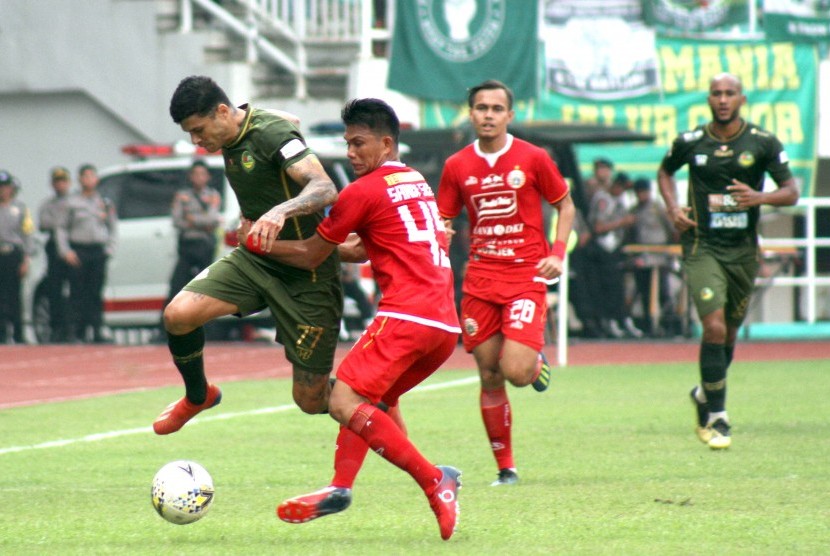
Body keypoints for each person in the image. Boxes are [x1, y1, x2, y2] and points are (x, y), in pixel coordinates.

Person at [244, 98, 462, 540]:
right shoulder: (414, 179)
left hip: (406, 315)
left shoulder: (362, 191)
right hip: (443, 325)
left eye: (358, 143)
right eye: (347, 143)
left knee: (343, 401)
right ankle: (342, 488)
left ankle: (434, 479)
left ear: (386, 142)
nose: (350, 152)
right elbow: (363, 248)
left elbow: (311, 254)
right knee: (372, 401)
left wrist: (259, 244)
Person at [153, 75, 343, 435]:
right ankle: (198, 395)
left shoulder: (269, 134)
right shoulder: (233, 128)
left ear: (222, 112)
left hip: (308, 274)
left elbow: (324, 187)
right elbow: (292, 120)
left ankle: (372, 403)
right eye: (189, 134)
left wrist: (280, 211)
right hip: (256, 259)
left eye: (198, 130)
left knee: (310, 399)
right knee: (178, 315)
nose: (196, 141)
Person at [436, 79, 575, 486]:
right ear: (471, 113)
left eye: (497, 109)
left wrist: (558, 252)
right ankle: (506, 469)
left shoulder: (533, 158)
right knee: (489, 374)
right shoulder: (457, 165)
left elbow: (565, 206)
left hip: (524, 276)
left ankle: (534, 366)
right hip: (479, 280)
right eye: (481, 108)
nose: (489, 115)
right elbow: (446, 217)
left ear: (510, 116)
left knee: (514, 370)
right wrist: (442, 232)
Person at [657, 72, 799, 450]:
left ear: (742, 99)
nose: (723, 99)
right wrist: (673, 208)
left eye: (730, 94)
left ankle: (705, 395)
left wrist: (759, 197)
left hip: (743, 252)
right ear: (708, 99)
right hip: (702, 247)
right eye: (717, 94)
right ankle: (718, 417)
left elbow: (792, 192)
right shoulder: (690, 142)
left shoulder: (763, 143)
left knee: (729, 335)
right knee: (714, 328)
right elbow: (664, 172)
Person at [55, 164, 118, 343]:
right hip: (78, 250)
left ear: (96, 179)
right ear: (80, 180)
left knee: (95, 292)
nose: (89, 180)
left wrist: (109, 249)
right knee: (77, 292)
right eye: (85, 176)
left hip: (97, 251)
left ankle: (96, 330)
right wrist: (65, 251)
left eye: (92, 176)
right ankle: (74, 331)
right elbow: (61, 228)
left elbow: (113, 226)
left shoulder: (104, 202)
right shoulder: (71, 202)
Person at [585, 172, 643, 339]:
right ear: (616, 185)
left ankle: (622, 319)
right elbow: (598, 227)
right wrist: (622, 223)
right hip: (602, 250)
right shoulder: (603, 199)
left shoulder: (620, 201)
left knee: (619, 287)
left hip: (616, 249)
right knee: (607, 287)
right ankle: (609, 321)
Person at [165, 159, 222, 307]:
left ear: (208, 177)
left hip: (205, 245)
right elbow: (177, 221)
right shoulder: (182, 196)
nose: (199, 177)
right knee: (177, 286)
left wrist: (192, 219)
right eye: (195, 174)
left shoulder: (213, 195)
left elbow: (212, 218)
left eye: (202, 174)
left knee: (206, 289)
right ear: (190, 176)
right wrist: (203, 223)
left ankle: (208, 327)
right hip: (187, 246)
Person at [628, 178, 677, 337]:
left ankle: (669, 325)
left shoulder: (658, 209)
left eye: (644, 192)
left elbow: (672, 230)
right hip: (642, 257)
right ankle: (649, 326)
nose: (642, 195)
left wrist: (671, 251)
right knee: (644, 292)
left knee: (663, 292)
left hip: (659, 256)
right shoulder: (634, 210)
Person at [37, 166, 73, 343]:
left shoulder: (75, 201)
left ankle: (74, 328)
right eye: (57, 181)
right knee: (54, 289)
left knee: (76, 289)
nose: (60, 185)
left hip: (74, 245)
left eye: (63, 181)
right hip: (53, 248)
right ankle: (57, 328)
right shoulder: (47, 205)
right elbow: (43, 224)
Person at [0, 170, 35, 344]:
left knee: (15, 295)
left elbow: (27, 233)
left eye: (5, 187)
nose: (3, 191)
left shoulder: (20, 208)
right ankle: (2, 333)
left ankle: (18, 333)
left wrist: (26, 259)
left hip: (14, 254)